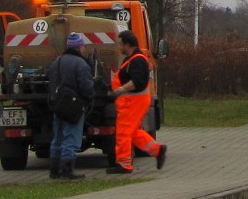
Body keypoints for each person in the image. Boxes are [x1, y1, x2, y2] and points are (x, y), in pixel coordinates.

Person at [106, 29, 166, 174]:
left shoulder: (137, 60)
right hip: (133, 101)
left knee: (123, 132)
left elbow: (137, 82)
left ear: (128, 45)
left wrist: (119, 91)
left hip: (133, 101)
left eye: (120, 44)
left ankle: (124, 164)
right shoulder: (133, 59)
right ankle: (157, 150)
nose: (119, 47)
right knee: (133, 132)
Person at [48, 32, 95, 180]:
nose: (84, 49)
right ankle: (67, 171)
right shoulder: (81, 64)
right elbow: (87, 87)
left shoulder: (57, 61)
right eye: (83, 46)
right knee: (71, 138)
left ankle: (54, 171)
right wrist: (89, 99)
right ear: (79, 47)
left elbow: (52, 83)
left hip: (58, 104)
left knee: (58, 137)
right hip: (74, 106)